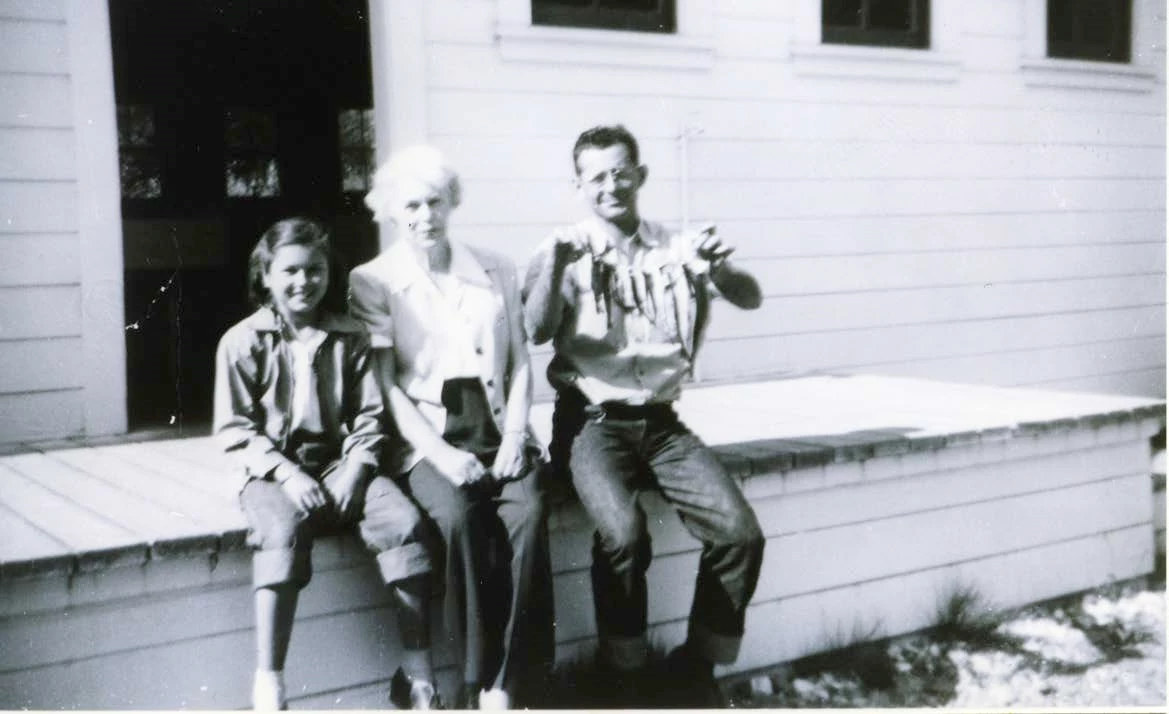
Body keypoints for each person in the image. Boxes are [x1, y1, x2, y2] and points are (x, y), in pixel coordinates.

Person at [523, 124, 766, 706]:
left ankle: (696, 665)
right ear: (579, 184)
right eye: (597, 176)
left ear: (640, 175)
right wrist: (555, 268)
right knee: (624, 535)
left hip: (661, 424)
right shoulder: (562, 247)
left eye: (621, 171)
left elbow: (750, 296)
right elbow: (534, 332)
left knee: (740, 534)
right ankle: (623, 671)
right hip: (591, 423)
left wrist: (722, 270)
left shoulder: (676, 247)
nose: (612, 185)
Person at [349, 146, 554, 710]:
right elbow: (388, 386)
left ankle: (509, 685)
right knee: (460, 520)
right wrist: (440, 454)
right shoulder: (373, 280)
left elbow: (518, 366)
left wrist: (515, 436)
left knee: (530, 514)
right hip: (428, 434)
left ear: (452, 203)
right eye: (411, 205)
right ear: (393, 213)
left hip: (497, 422)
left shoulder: (495, 267)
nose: (425, 216)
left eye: (435, 202)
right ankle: (475, 679)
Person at [214, 218, 440, 710]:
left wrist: (358, 470)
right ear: (266, 276)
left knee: (404, 523)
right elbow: (236, 429)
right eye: (290, 271)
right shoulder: (242, 341)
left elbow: (370, 416)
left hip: (342, 463)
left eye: (314, 270)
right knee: (281, 534)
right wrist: (286, 474)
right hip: (273, 470)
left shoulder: (350, 336)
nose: (303, 282)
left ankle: (418, 677)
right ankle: (269, 684)